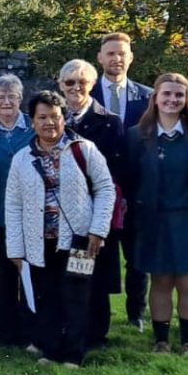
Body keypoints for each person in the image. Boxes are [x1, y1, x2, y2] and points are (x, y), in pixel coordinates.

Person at [5, 91, 117, 368]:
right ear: (32, 122)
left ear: (64, 118)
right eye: (42, 117)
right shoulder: (22, 159)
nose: (49, 123)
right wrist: (16, 250)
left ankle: (73, 354)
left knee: (77, 297)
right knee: (47, 297)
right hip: (38, 242)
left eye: (55, 117)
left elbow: (105, 188)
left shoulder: (83, 149)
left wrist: (98, 230)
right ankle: (50, 350)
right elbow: (13, 205)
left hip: (79, 241)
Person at [126, 73, 188, 356]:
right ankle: (161, 340)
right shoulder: (136, 135)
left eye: (179, 95)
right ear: (155, 98)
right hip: (154, 220)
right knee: (161, 280)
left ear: (187, 99)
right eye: (166, 94)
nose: (172, 100)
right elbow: (130, 178)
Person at [59, 58, 129, 345]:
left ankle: (96, 333)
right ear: (60, 85)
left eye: (82, 82)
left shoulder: (109, 121)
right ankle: (69, 326)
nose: (76, 88)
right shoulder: (52, 118)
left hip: (96, 209)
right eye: (69, 83)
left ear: (92, 85)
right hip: (60, 210)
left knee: (95, 273)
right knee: (67, 272)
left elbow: (116, 171)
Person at [90, 32, 150, 327]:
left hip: (136, 188)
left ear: (131, 57)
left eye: (122, 53)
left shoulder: (147, 97)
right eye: (110, 53)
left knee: (138, 256)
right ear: (100, 58)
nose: (116, 59)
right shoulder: (87, 95)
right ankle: (99, 313)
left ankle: (136, 312)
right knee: (101, 254)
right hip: (98, 189)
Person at [0, 74, 35, 347]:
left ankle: (29, 330)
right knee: (2, 276)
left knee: (30, 275)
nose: (6, 102)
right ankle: (4, 333)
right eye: (0, 98)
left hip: (32, 215)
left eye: (12, 97)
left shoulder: (34, 128)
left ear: (20, 99)